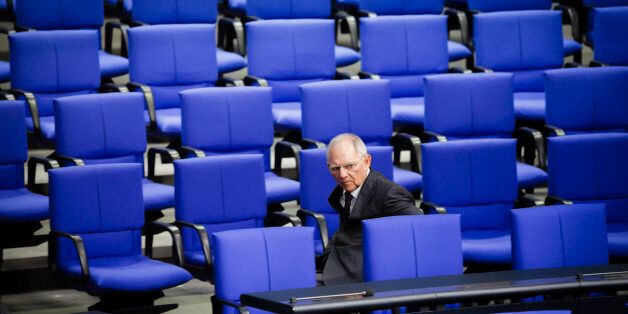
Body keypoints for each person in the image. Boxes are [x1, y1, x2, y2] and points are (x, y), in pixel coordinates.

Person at [321, 133, 422, 285]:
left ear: (366, 161)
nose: (342, 175)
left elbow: (421, 226)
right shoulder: (344, 190)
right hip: (337, 261)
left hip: (363, 274)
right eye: (335, 168)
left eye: (349, 166)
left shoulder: (389, 194)